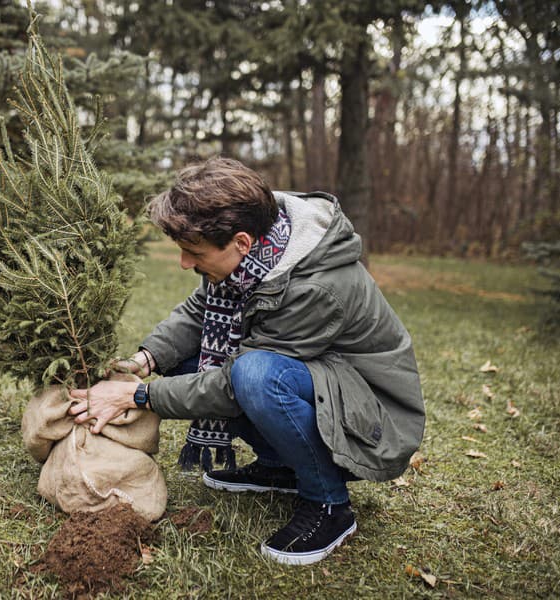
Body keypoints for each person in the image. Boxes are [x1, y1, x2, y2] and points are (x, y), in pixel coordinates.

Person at [69, 157, 425, 565]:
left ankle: (329, 505)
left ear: (241, 242)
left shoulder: (316, 287)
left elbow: (230, 385)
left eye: (192, 252)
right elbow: (201, 311)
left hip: (371, 418)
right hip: (319, 386)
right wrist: (145, 359)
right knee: (194, 360)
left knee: (256, 376)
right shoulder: (254, 251)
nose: (185, 263)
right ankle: (280, 466)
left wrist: (139, 396)